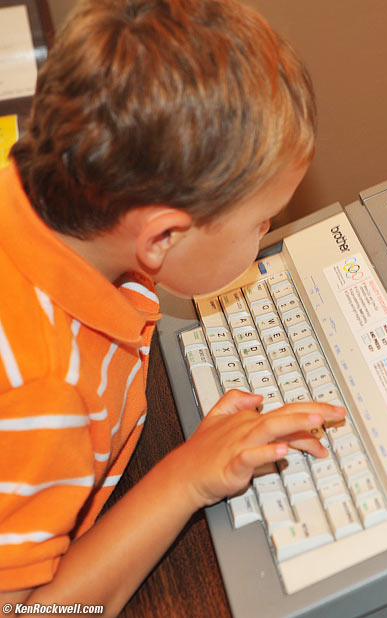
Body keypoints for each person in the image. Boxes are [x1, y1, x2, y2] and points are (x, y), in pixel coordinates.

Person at [0, 0, 344, 614]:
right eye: (261, 220)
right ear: (160, 237)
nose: (268, 229)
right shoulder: (45, 391)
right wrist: (187, 477)